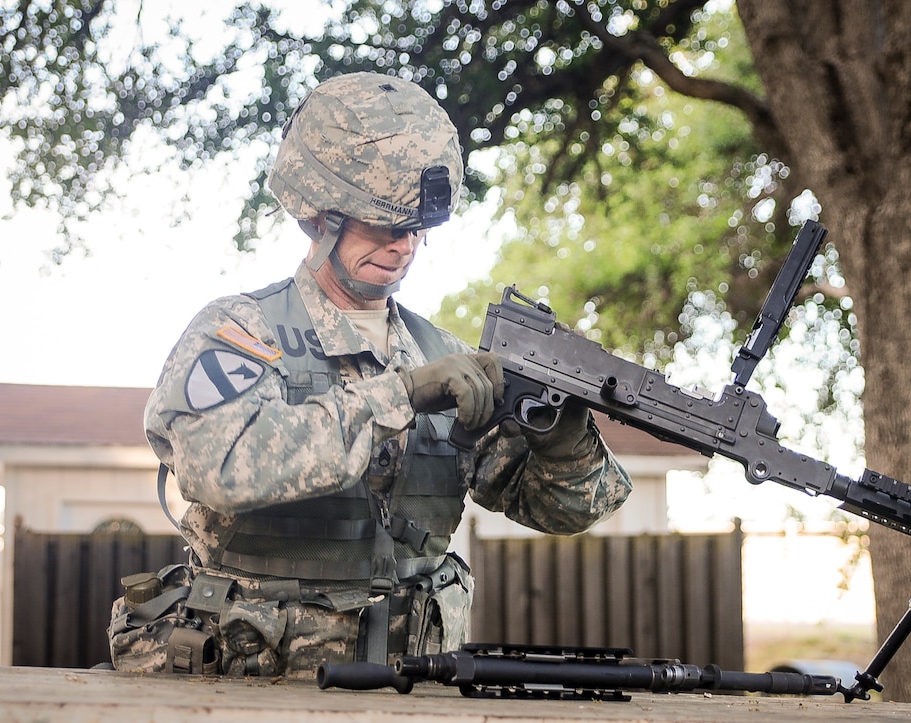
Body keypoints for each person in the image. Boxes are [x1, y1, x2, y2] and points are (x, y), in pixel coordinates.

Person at [111, 72, 632, 679]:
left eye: (416, 229)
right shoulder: (243, 333)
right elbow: (219, 465)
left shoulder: (441, 351)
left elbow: (561, 511)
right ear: (322, 217)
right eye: (384, 225)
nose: (403, 246)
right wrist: (401, 394)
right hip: (257, 680)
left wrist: (560, 434)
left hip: (413, 679)